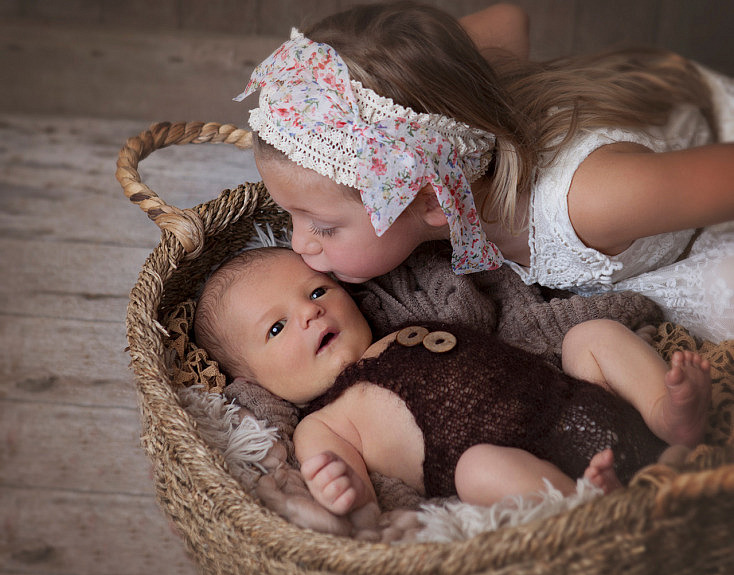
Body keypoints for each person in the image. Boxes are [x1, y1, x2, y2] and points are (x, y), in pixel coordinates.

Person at [236, 1, 734, 343]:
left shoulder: (589, 201)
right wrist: (421, 77)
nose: (300, 243)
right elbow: (508, 17)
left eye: (322, 226)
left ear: (433, 200)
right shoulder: (452, 145)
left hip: (706, 151)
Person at [194, 247, 711, 514]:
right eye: (277, 327)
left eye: (315, 292)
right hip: (519, 467)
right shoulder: (321, 424)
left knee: (591, 335)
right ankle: (590, 508)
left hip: (575, 399)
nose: (309, 315)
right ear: (252, 379)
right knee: (477, 470)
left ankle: (669, 415)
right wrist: (339, 489)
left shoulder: (399, 325)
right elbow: (357, 500)